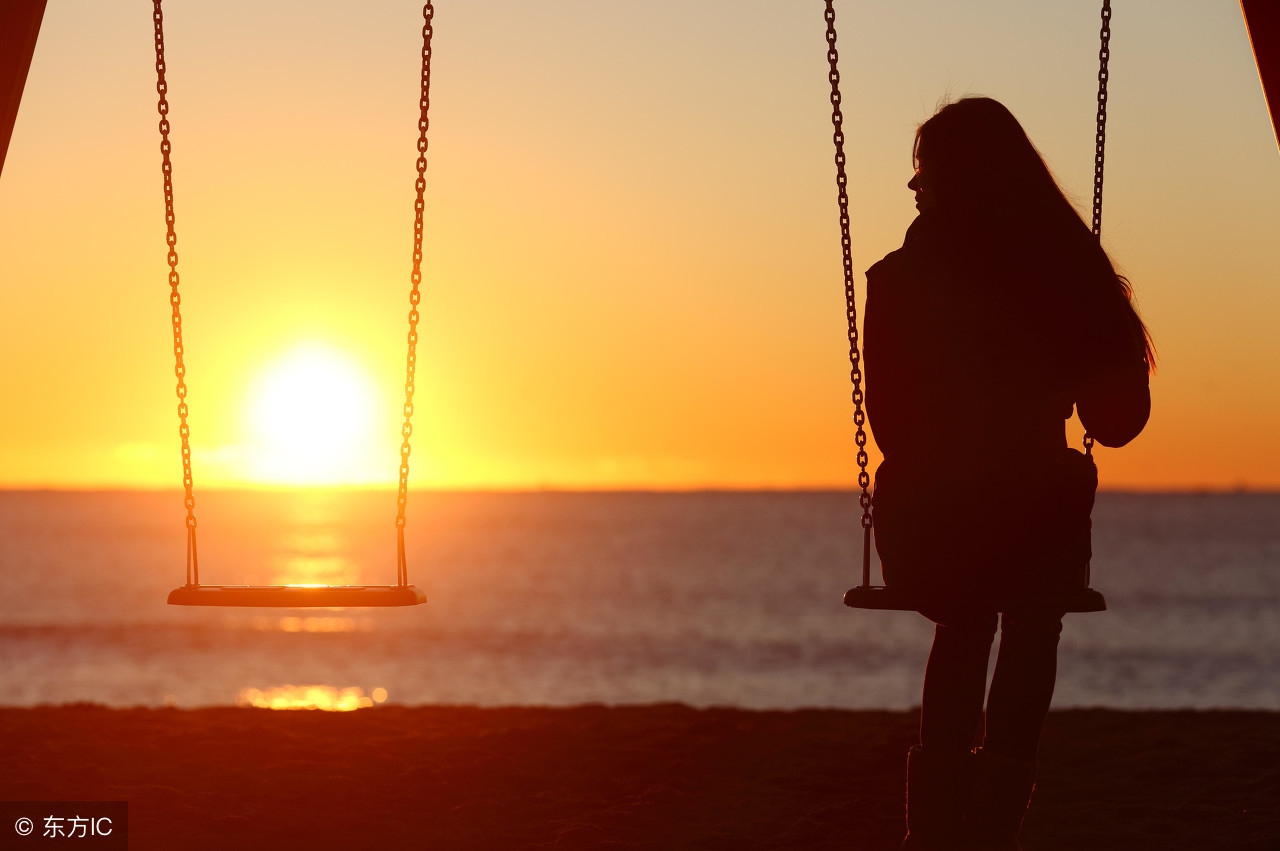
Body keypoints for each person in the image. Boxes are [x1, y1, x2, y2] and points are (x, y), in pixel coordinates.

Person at [862, 97, 1153, 850]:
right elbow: (1119, 422)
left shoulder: (897, 281)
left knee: (965, 619)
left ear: (956, 181)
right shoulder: (1063, 271)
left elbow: (889, 423)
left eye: (923, 171)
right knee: (1031, 616)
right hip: (1032, 525)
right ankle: (991, 828)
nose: (914, 187)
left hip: (931, 524)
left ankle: (931, 834)